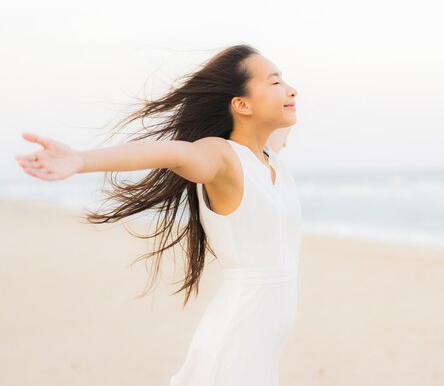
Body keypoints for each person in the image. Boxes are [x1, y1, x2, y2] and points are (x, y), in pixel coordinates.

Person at [14, 44, 301, 386]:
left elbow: (282, 128)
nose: (290, 88)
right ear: (241, 104)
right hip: (240, 334)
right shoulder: (223, 158)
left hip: (263, 339)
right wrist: (82, 160)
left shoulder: (269, 156)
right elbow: (174, 152)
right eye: (274, 82)